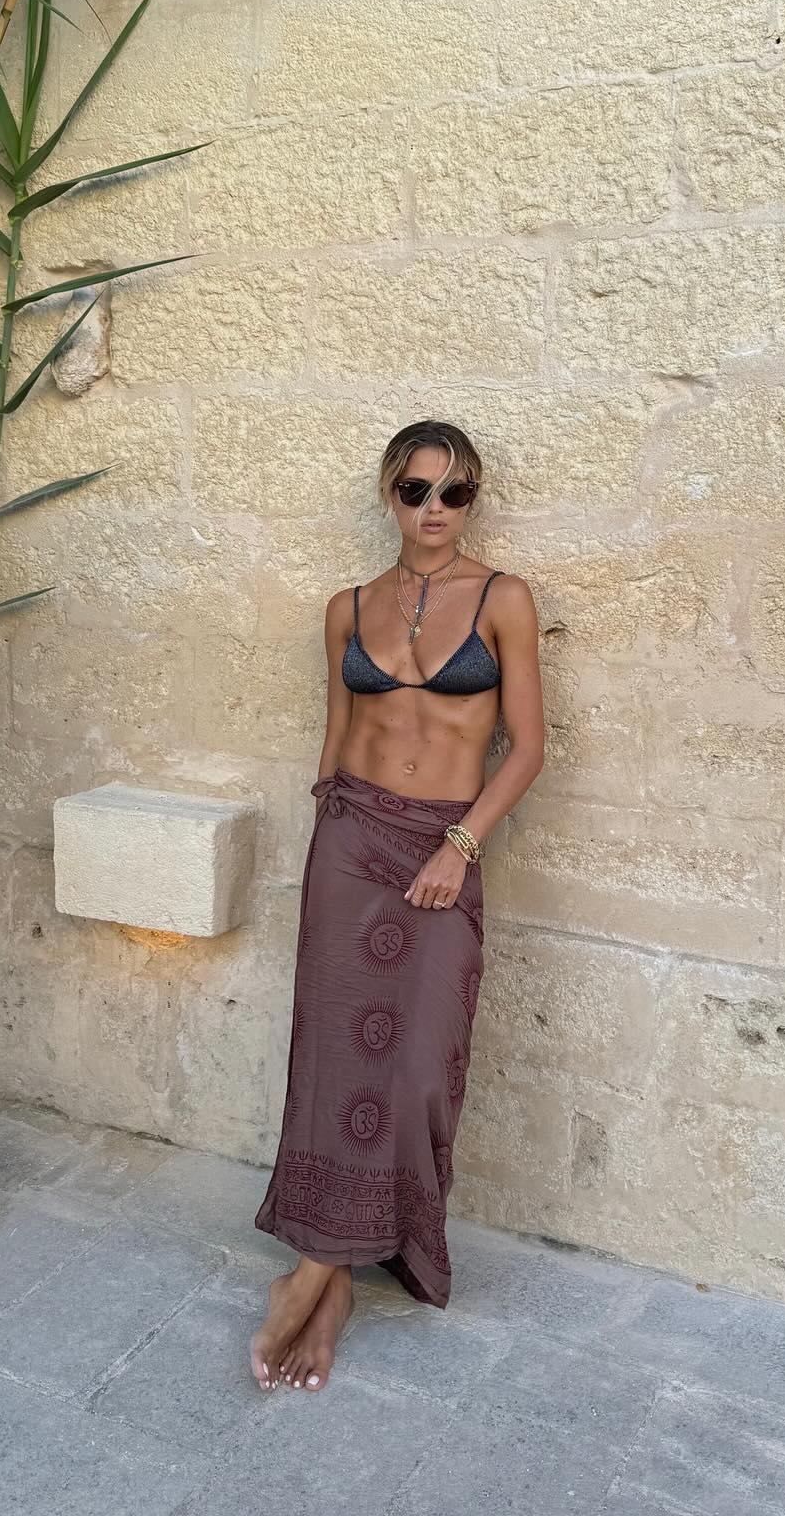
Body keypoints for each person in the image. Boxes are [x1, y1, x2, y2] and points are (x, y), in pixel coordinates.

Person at [249, 419, 545, 1393]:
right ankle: (328, 1282)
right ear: (390, 494)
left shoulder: (504, 599)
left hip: (444, 848)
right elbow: (335, 741)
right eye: (416, 490)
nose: (434, 509)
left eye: (455, 492)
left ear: (473, 499)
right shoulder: (346, 609)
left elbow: (528, 748)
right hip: (349, 845)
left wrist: (461, 846)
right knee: (335, 1059)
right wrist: (326, 846)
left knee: (416, 1070)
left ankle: (313, 1272)